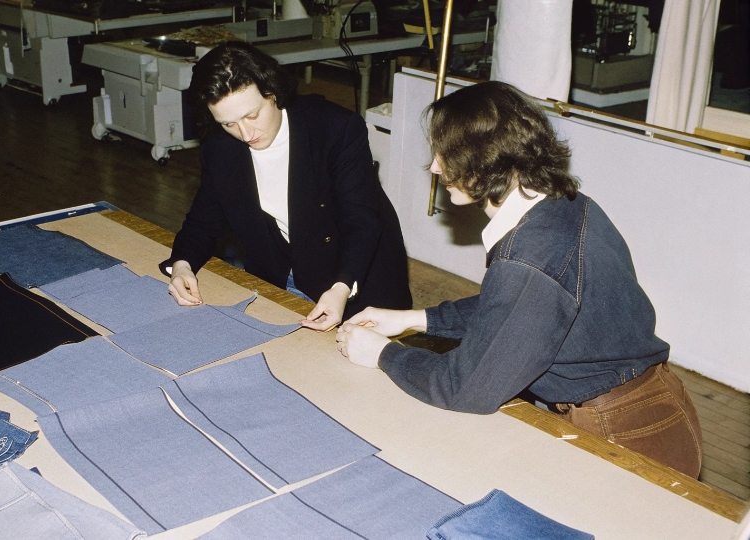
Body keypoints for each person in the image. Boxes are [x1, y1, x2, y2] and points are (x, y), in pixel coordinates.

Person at [335, 81, 703, 478]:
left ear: (486, 158)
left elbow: (465, 388)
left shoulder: (528, 258)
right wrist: (414, 319)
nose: (437, 167)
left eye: (446, 153)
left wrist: (382, 354)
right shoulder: (564, 203)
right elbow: (514, 311)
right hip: (654, 405)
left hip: (624, 433)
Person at [160, 41, 412, 330]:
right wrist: (182, 265)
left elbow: (362, 221)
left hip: (356, 277)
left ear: (274, 92)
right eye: (228, 123)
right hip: (282, 273)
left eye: (252, 115)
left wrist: (341, 288)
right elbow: (203, 221)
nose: (244, 133)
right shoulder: (220, 148)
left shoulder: (335, 129)